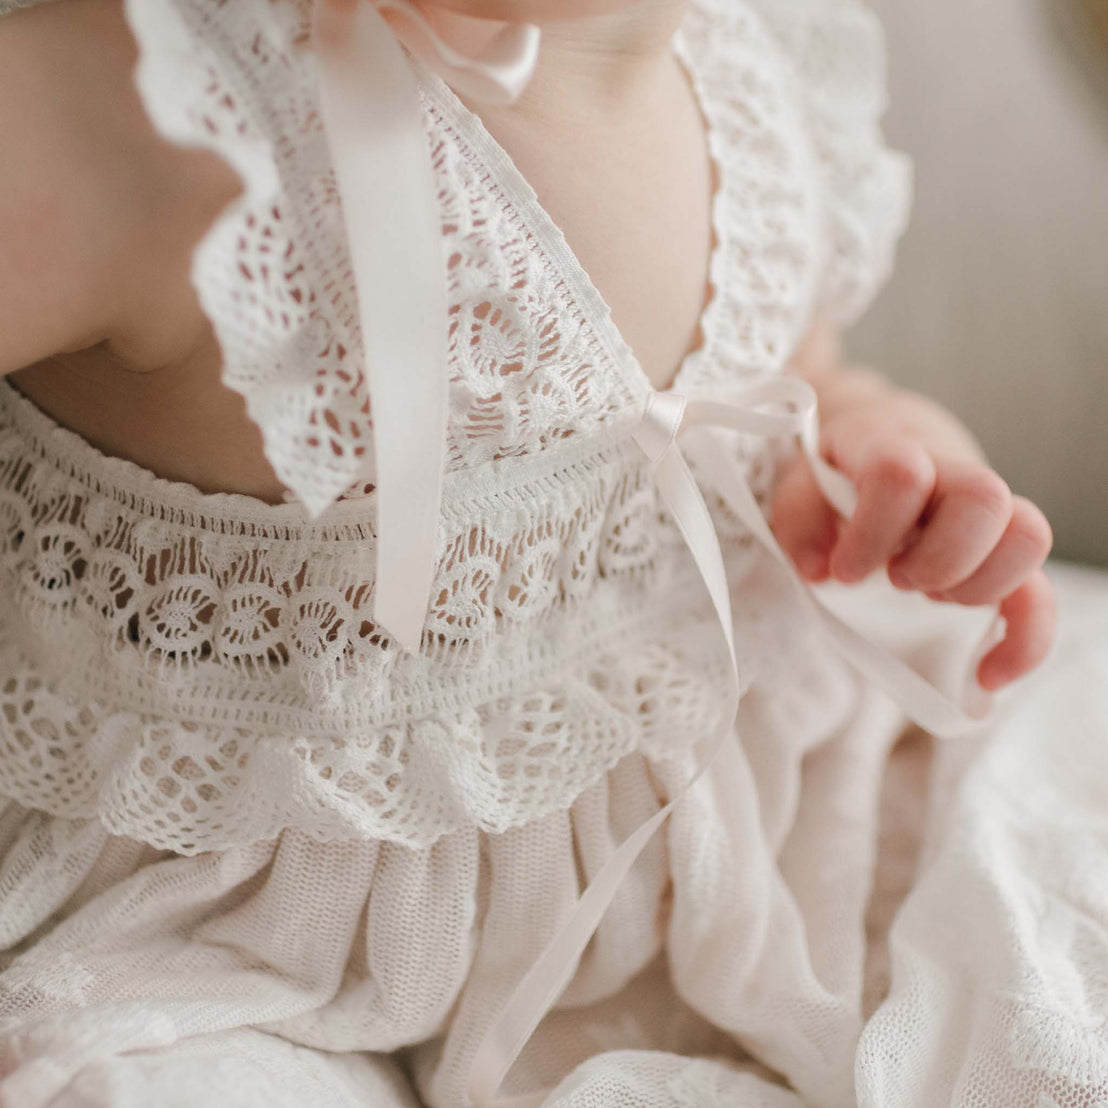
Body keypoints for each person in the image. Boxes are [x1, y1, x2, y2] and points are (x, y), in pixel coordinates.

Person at [0, 1, 1102, 1106]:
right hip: (218, 935)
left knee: (1035, 946)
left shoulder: (741, 51)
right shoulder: (154, 105)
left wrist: (872, 453)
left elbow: (798, 369)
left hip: (724, 833)